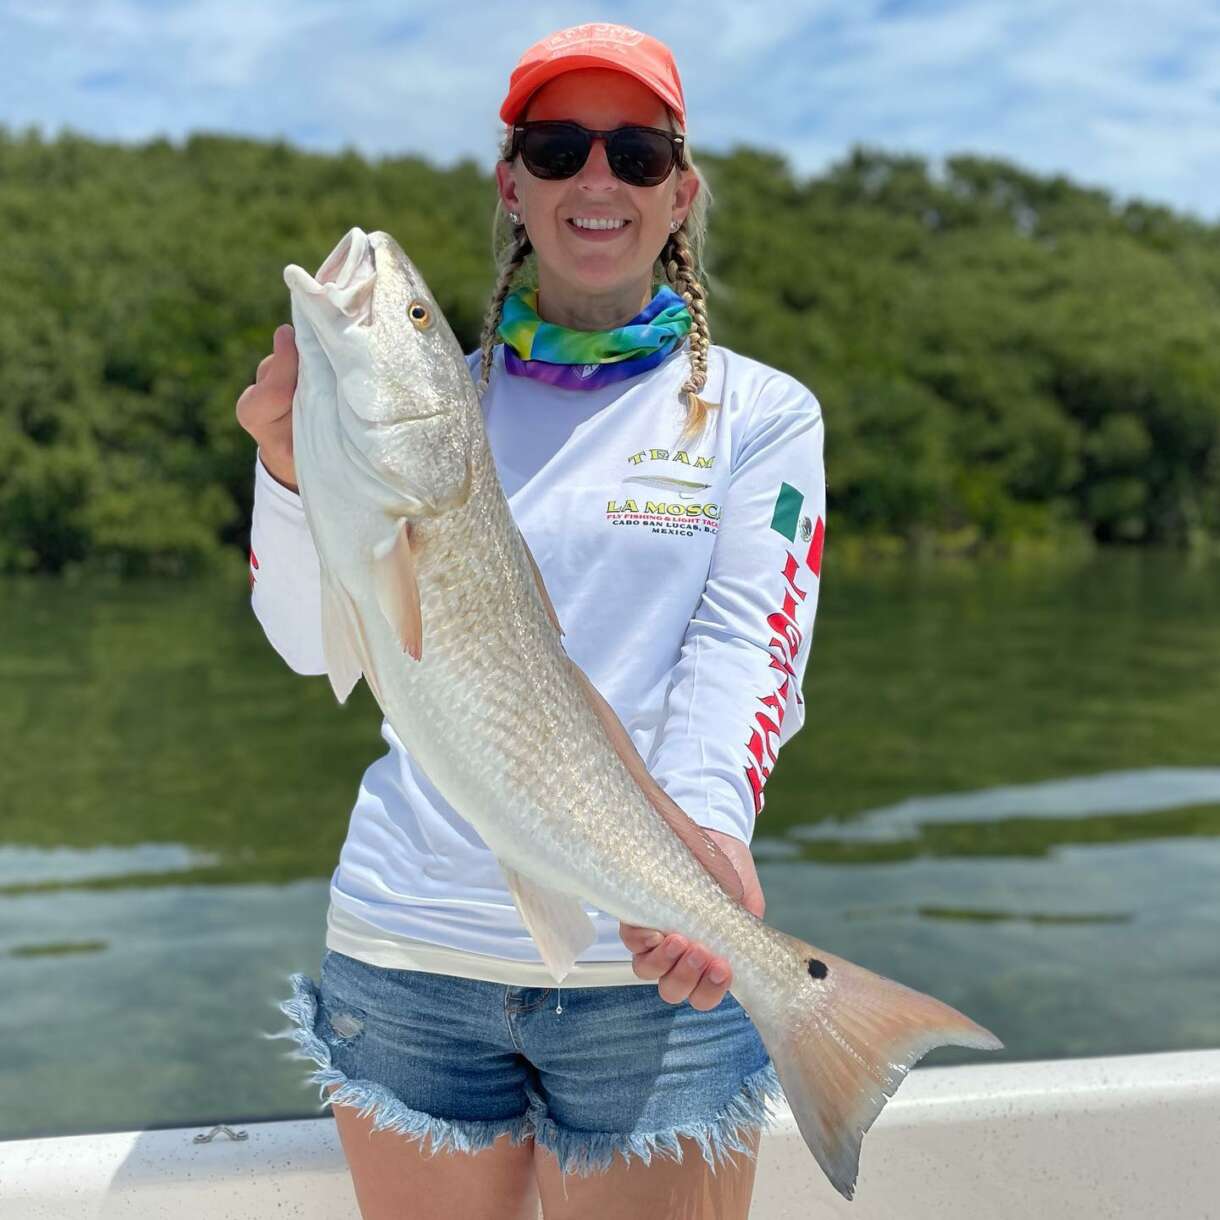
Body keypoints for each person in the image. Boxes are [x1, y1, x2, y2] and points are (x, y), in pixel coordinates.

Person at [239, 22, 826, 1220]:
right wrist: (291, 472)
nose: (595, 178)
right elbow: (314, 644)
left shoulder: (760, 417)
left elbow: (746, 650)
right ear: (513, 187)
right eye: (556, 148)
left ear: (681, 194)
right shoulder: (411, 413)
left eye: (637, 151)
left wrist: (703, 854)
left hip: (648, 970)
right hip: (403, 957)